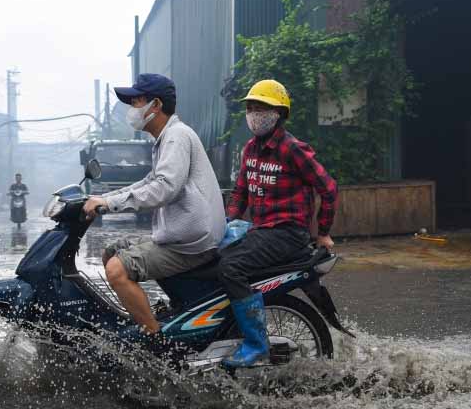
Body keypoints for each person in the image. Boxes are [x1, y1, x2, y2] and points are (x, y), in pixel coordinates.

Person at [83, 74, 225, 344]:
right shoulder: (165, 138)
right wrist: (103, 198)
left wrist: (109, 203)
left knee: (116, 270)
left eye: (136, 102)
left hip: (190, 243)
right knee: (111, 251)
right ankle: (142, 315)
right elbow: (149, 182)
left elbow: (164, 187)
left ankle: (156, 343)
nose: (132, 110)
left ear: (156, 105)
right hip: (179, 236)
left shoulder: (176, 137)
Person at [221, 79, 339, 368]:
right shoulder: (249, 149)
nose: (254, 113)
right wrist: (227, 222)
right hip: (261, 232)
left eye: (261, 108)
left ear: (278, 113)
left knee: (230, 267)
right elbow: (240, 193)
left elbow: (329, 188)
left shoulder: (292, 149)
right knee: (209, 256)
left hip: (287, 234)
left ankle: (256, 342)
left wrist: (323, 233)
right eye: (250, 108)